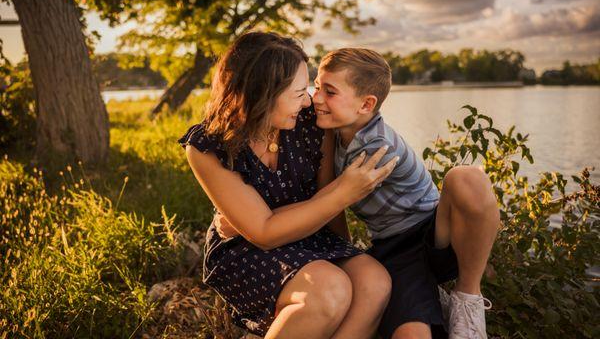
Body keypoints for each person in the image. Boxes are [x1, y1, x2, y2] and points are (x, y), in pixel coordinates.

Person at [218, 48, 501, 339]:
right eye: (316, 87)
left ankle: (468, 296)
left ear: (366, 104)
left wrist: (246, 220)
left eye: (329, 91)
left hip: (435, 234)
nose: (316, 99)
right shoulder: (333, 130)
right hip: (395, 252)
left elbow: (328, 201)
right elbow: (324, 200)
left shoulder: (374, 149)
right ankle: (428, 295)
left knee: (466, 177)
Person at [178, 32, 397, 338]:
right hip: (247, 249)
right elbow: (263, 232)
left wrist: (345, 249)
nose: (309, 100)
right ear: (262, 96)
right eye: (298, 93)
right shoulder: (208, 146)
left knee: (374, 280)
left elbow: (325, 199)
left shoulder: (310, 121)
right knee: (329, 290)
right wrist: (345, 192)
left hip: (312, 235)